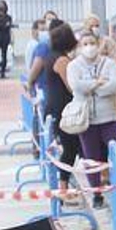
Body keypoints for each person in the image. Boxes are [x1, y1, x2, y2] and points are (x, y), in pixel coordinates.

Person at [66, 28, 116, 206]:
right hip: (86, 120)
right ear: (79, 47)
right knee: (91, 158)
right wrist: (97, 83)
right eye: (85, 44)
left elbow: (114, 86)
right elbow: (76, 86)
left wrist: (93, 88)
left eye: (92, 43)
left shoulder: (109, 64)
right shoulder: (73, 66)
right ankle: (96, 195)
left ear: (99, 44)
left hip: (109, 117)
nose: (89, 47)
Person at [39, 22, 82, 193]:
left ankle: (64, 185)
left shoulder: (50, 56)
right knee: (70, 149)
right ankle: (63, 188)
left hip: (54, 108)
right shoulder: (62, 60)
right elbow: (71, 86)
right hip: (63, 110)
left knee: (70, 147)